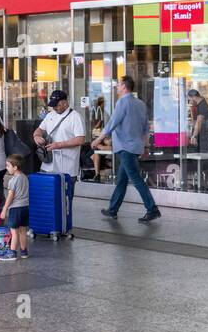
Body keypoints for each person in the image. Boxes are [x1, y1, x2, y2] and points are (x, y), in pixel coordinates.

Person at [93, 75, 159, 223]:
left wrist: (98, 139)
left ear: (124, 86)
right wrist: (146, 145)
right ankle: (112, 210)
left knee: (136, 179)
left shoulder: (122, 103)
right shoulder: (140, 103)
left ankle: (152, 209)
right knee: (122, 180)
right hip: (135, 147)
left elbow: (112, 123)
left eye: (118, 85)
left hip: (125, 148)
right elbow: (145, 127)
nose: (117, 87)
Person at [35, 89, 86, 228]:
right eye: (53, 105)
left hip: (67, 167)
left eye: (57, 105)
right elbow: (39, 130)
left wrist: (59, 145)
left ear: (65, 103)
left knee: (65, 199)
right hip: (48, 165)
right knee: (46, 196)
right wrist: (37, 137)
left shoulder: (75, 117)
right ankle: (47, 225)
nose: (55, 107)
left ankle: (62, 226)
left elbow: (80, 139)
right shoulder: (50, 115)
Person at [0, 154, 30, 261]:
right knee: (22, 230)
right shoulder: (25, 177)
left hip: (15, 208)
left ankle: (12, 253)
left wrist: (4, 209)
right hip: (25, 207)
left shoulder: (13, 180)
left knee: (14, 231)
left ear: (15, 167)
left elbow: (10, 196)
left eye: (8, 166)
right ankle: (24, 251)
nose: (7, 168)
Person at [187, 89, 208, 154]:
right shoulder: (200, 105)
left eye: (190, 100)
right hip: (202, 137)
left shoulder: (202, 106)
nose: (190, 102)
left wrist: (194, 136)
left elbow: (199, 121)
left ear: (194, 97)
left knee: (201, 158)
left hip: (202, 138)